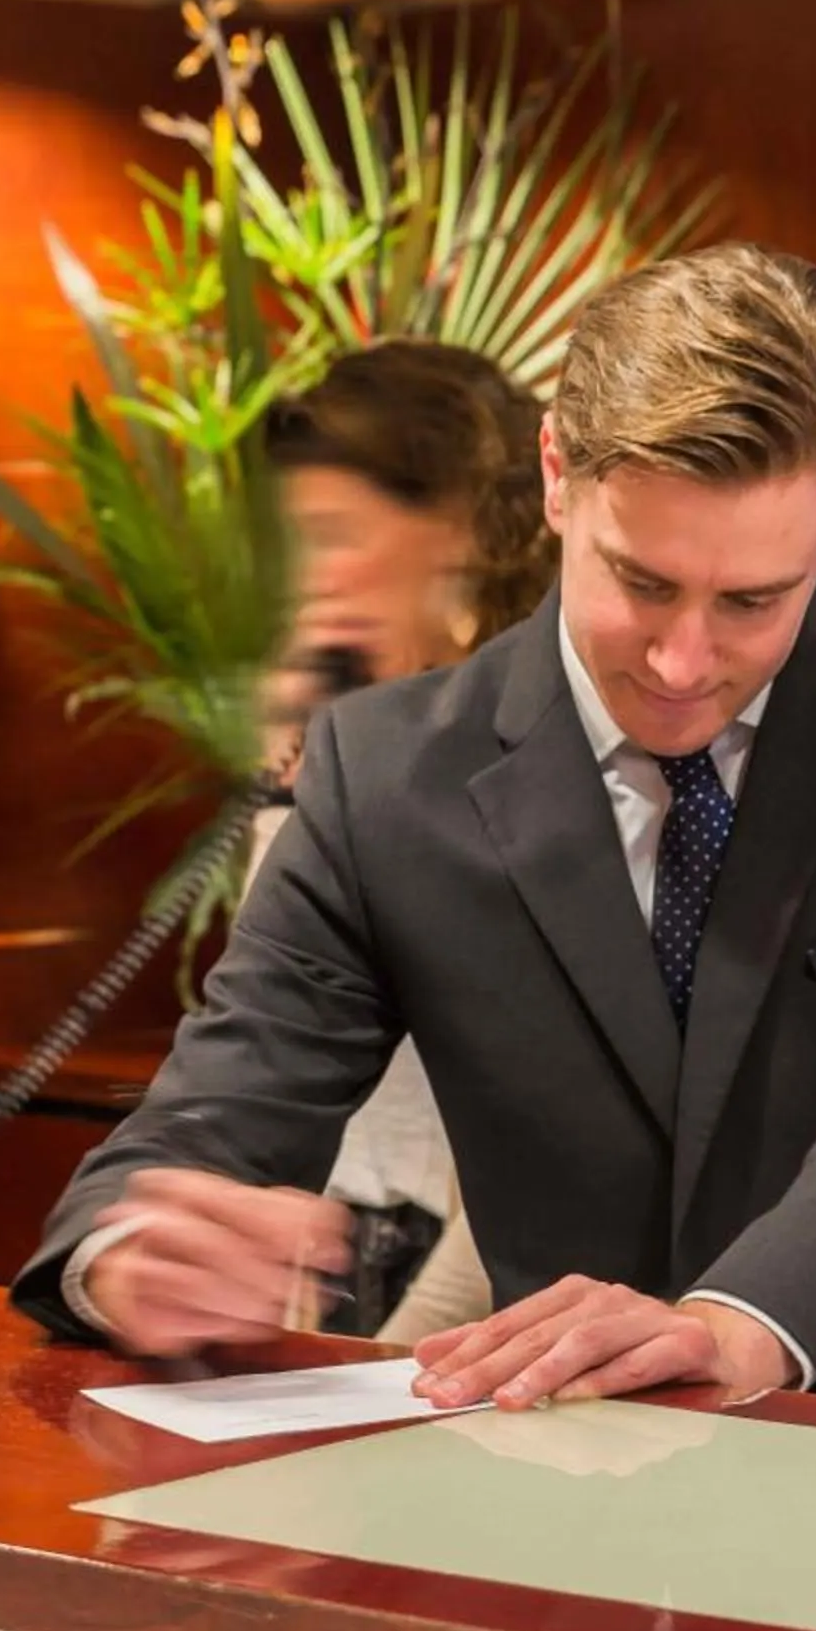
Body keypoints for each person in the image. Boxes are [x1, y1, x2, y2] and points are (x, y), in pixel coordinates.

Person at [15, 241, 816, 1429]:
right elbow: (223, 1107)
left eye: (752, 601)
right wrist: (136, 1257)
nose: (683, 661)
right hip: (575, 1457)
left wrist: (740, 1323)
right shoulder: (383, 772)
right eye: (642, 582)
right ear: (558, 473)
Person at [253, 341, 552, 1340]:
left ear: (457, 534)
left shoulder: (540, 767)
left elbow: (537, 1153)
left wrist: (393, 1368)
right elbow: (277, 1039)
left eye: (335, 535)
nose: (307, 579)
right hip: (337, 1267)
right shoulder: (354, 749)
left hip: (471, 1302)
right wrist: (291, 787)